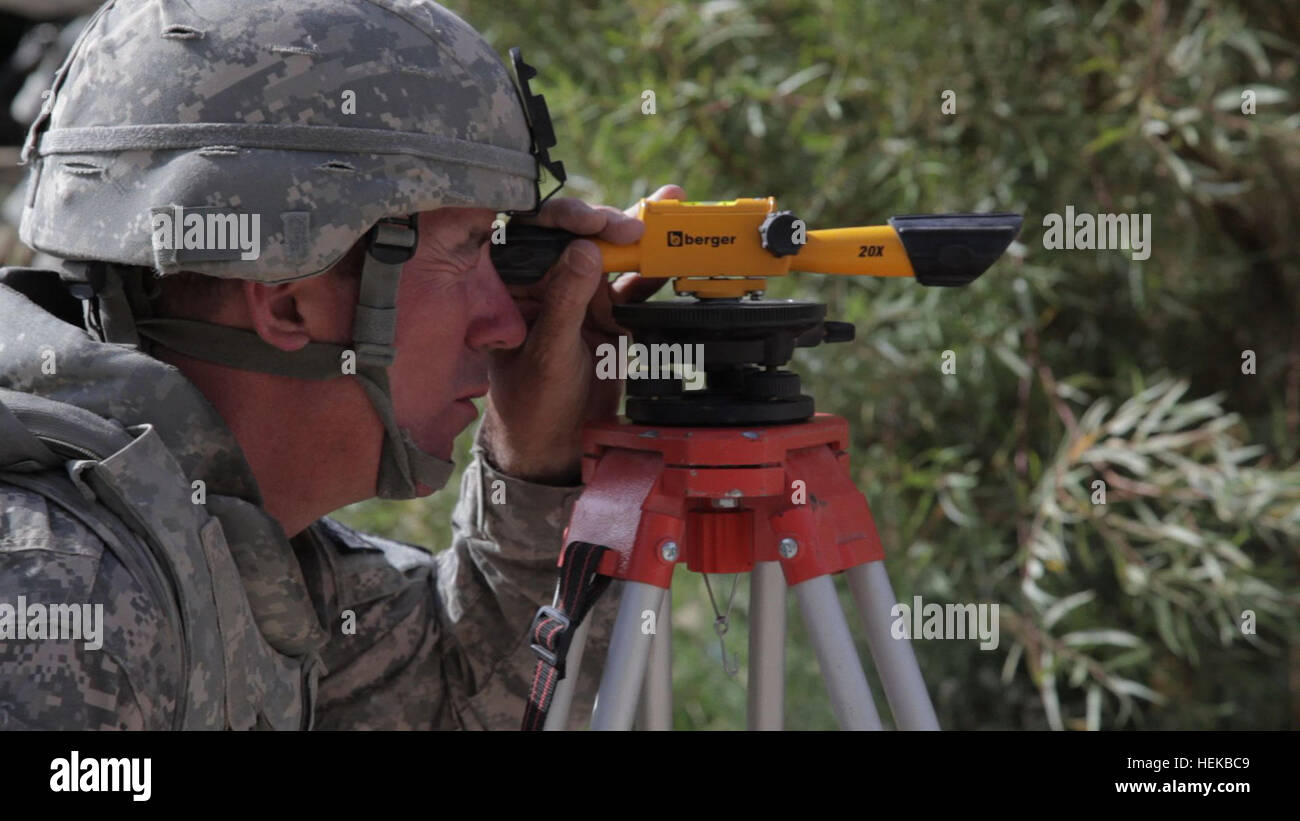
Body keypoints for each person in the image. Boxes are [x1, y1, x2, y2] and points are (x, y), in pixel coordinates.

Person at [0, 0, 682, 729]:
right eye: (469, 248)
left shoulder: (232, 547)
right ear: (288, 297)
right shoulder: (66, 599)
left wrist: (538, 461)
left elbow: (472, 701)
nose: (509, 322)